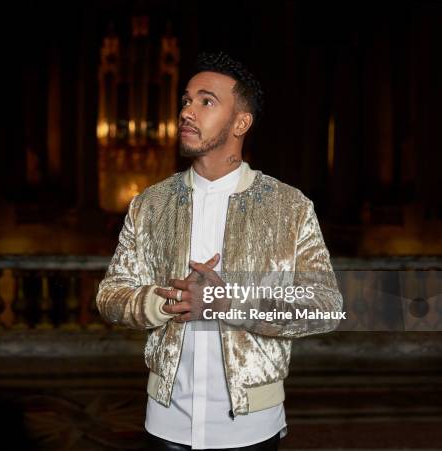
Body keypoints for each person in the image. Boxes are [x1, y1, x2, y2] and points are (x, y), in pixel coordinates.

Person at [96, 51, 343, 451]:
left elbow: (325, 304)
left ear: (241, 122)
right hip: (166, 423)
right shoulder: (150, 205)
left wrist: (227, 302)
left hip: (251, 426)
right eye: (186, 101)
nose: (187, 112)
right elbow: (110, 295)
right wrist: (165, 301)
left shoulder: (289, 206)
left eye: (206, 101)